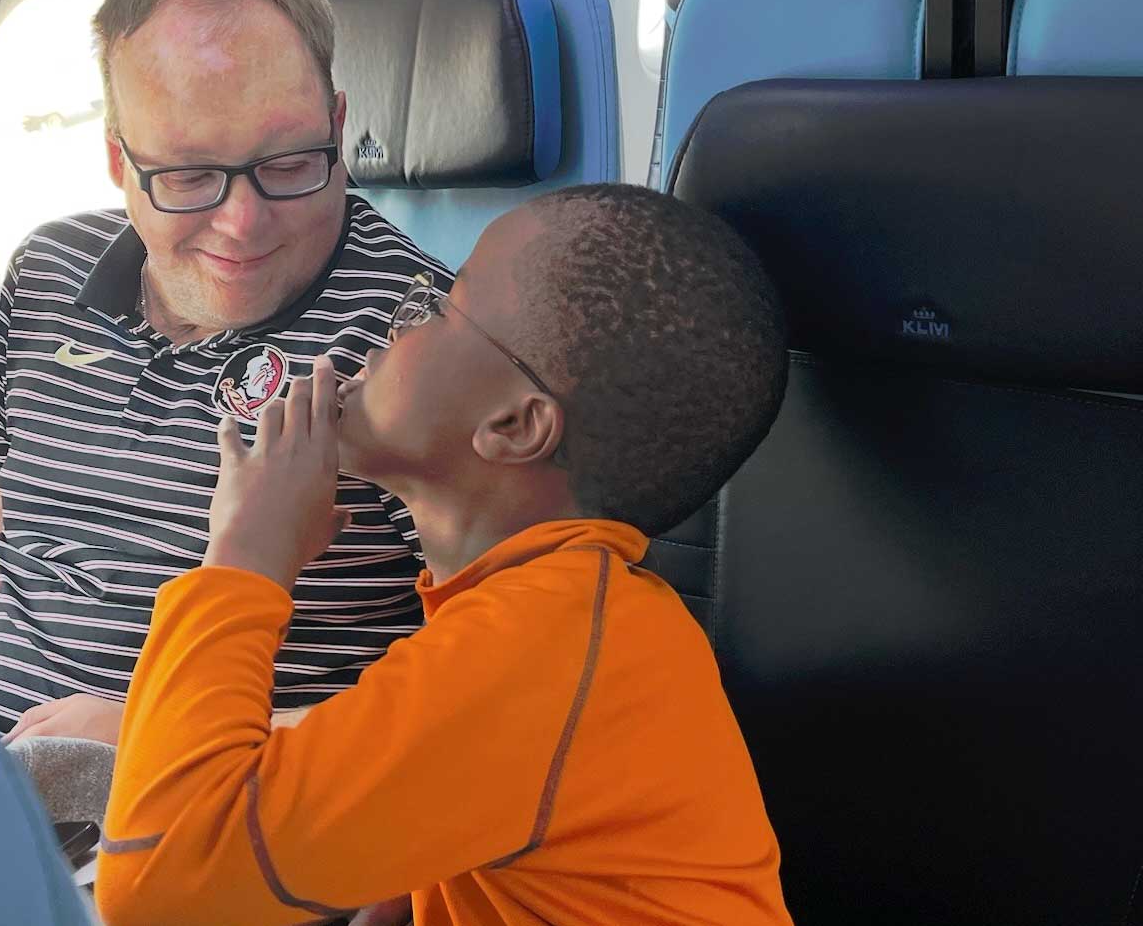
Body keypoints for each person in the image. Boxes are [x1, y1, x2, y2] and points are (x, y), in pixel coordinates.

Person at [96, 184, 795, 926]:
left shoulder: (544, 644)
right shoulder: (540, 611)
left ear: (514, 425)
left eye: (438, 306)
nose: (396, 324)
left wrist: (242, 559)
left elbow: (159, 887)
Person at [0, 0, 449, 741]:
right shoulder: (47, 273)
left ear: (338, 125)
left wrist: (162, 737)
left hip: (227, 812)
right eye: (189, 176)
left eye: (290, 160)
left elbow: (478, 696)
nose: (242, 223)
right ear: (115, 159)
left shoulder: (426, 338)